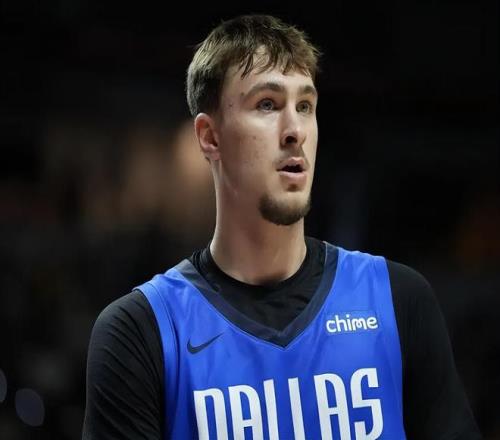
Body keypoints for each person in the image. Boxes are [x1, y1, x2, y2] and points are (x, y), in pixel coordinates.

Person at [82, 14, 482, 439]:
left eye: (305, 106)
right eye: (267, 104)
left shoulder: (399, 301)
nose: (295, 131)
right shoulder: (140, 332)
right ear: (210, 137)